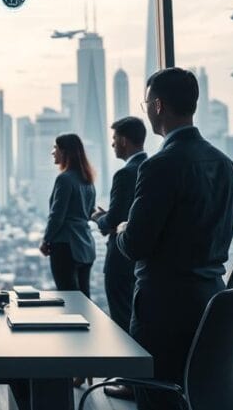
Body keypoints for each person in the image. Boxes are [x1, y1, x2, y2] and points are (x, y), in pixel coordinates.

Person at [116, 68, 233, 410]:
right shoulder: (225, 164)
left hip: (163, 313)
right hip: (210, 304)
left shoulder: (160, 166)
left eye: (145, 103)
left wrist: (122, 229)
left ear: (157, 106)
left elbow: (136, 246)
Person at [90, 116, 147, 401]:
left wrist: (99, 218)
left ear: (124, 140)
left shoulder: (126, 173)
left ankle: (130, 382)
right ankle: (137, 376)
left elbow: (116, 219)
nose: (112, 145)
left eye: (114, 140)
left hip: (121, 256)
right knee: (134, 316)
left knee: (123, 317)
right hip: (140, 259)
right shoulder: (151, 167)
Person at [40, 133, 96, 296]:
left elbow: (57, 216)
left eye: (55, 148)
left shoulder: (64, 179)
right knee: (84, 298)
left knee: (69, 298)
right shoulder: (87, 180)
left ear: (64, 152)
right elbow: (89, 212)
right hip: (85, 246)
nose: (52, 152)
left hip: (66, 246)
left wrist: (46, 240)